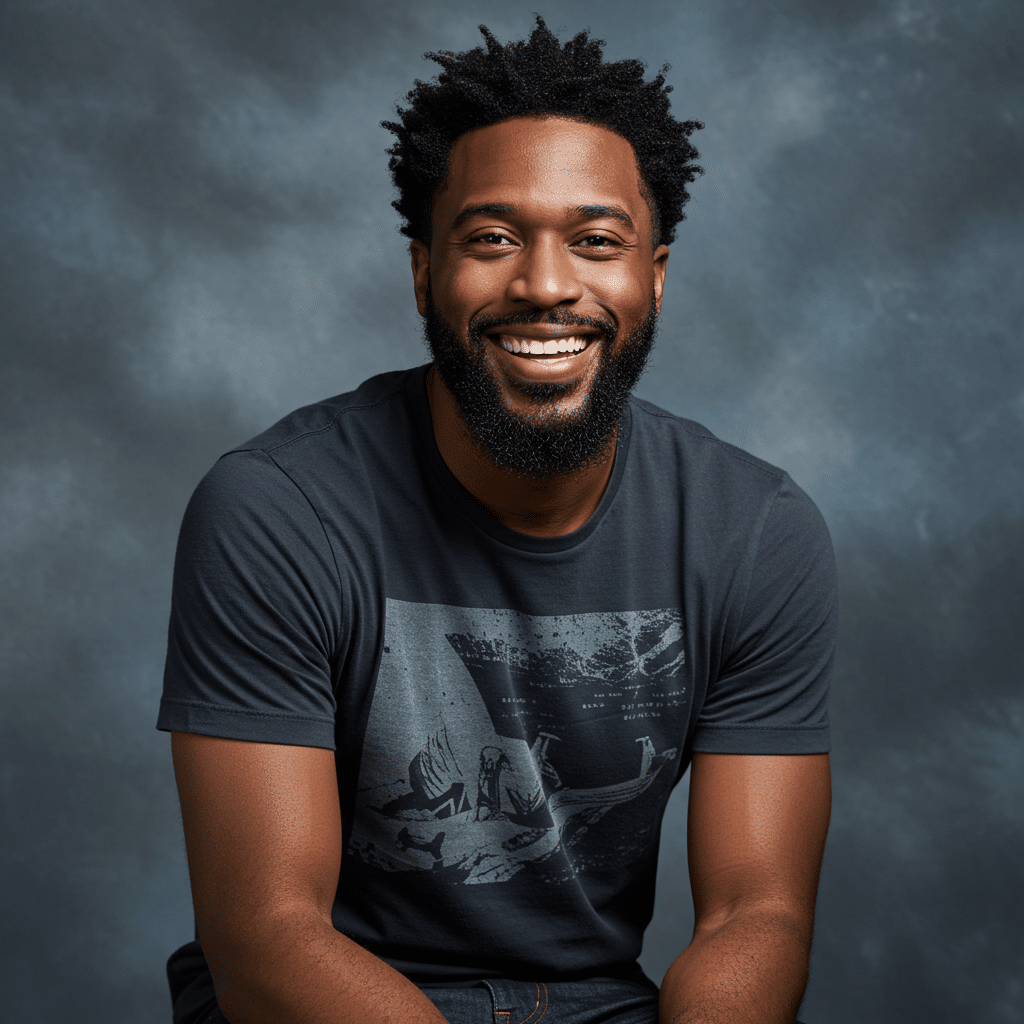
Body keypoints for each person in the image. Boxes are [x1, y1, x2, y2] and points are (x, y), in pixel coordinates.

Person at [159, 17, 835, 1024]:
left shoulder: (753, 530)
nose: (546, 285)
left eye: (596, 241)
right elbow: (266, 932)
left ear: (653, 273)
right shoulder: (274, 508)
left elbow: (755, 915)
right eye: (492, 238)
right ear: (424, 267)